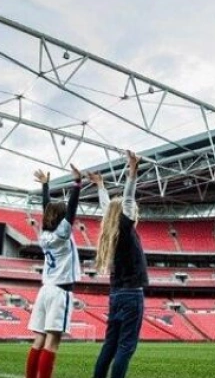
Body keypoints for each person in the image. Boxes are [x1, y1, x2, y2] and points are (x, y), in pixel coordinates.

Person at [91, 150, 148, 378]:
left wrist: (101, 186)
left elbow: (108, 208)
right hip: (131, 296)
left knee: (110, 345)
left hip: (115, 295)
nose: (134, 211)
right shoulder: (124, 229)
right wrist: (132, 173)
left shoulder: (112, 232)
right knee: (126, 348)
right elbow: (126, 200)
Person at [25, 165, 82, 378]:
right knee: (52, 341)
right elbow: (72, 210)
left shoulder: (44, 235)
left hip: (45, 290)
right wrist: (77, 184)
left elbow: (47, 209)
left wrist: (45, 185)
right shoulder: (62, 235)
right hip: (60, 292)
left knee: (38, 339)